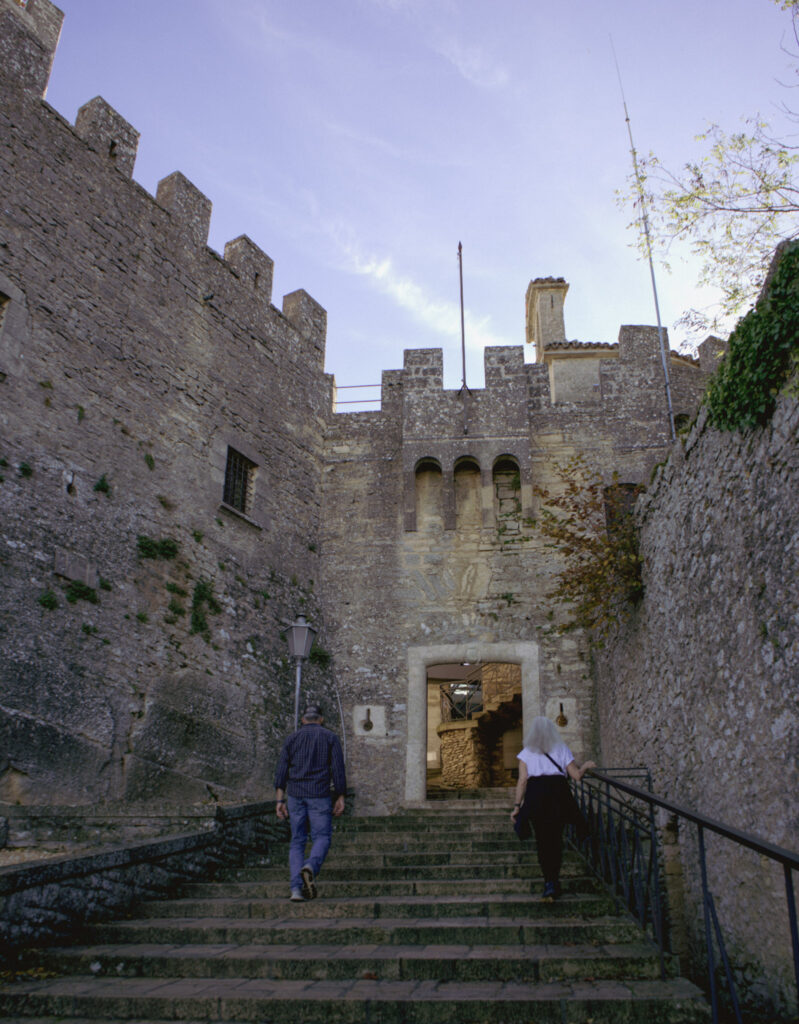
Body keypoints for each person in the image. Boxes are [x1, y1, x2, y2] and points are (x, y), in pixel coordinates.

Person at [509, 715, 596, 901]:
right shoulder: (561, 749)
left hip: (536, 796)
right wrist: (586, 766)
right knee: (555, 839)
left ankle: (549, 882)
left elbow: (522, 781)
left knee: (542, 841)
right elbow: (576, 776)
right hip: (558, 795)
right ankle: (554, 880)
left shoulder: (526, 753)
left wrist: (517, 806)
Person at [274, 703, 346, 902]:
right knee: (322, 836)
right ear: (321, 719)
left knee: (297, 841)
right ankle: (311, 866)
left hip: (295, 795)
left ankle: (296, 890)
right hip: (319, 794)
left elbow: (281, 770)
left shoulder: (292, 739)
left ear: (303, 719)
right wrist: (340, 796)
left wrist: (280, 799)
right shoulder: (330, 738)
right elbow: (338, 769)